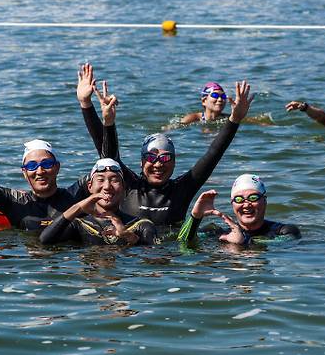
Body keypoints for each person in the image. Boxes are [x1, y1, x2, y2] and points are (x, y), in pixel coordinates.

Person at [76, 63, 253, 234]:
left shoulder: (182, 189)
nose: (158, 164)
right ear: (142, 161)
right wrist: (91, 108)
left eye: (166, 158)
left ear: (174, 162)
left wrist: (234, 120)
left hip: (170, 256)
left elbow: (214, 153)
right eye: (151, 158)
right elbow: (108, 156)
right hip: (132, 256)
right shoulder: (129, 186)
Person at [0, 98, 88, 231]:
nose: (40, 171)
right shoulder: (15, 203)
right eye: (31, 166)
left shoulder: (74, 197)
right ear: (24, 172)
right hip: (27, 252)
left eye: (46, 164)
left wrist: (87, 105)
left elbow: (107, 166)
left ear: (57, 167)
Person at [40, 158, 155, 246]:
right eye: (100, 180)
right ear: (89, 186)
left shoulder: (142, 225)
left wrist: (129, 236)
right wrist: (79, 207)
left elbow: (154, 259)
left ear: (124, 187)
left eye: (114, 180)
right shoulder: (79, 225)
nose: (107, 186)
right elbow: (44, 241)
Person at [178, 174, 300, 246]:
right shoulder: (219, 233)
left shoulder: (285, 231)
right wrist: (195, 217)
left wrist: (243, 241)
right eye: (239, 199)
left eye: (253, 198)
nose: (246, 205)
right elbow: (182, 243)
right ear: (232, 204)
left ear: (264, 200)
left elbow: (285, 243)